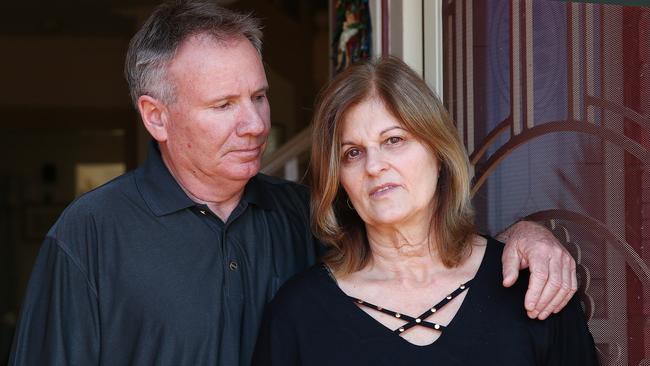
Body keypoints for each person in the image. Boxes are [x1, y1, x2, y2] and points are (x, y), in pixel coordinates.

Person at [9, 2, 577, 366]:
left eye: (258, 97)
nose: (255, 123)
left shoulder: (300, 214)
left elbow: (413, 239)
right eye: (224, 104)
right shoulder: (90, 235)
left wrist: (529, 236)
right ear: (156, 116)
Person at [252, 57, 598, 365]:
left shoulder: (533, 287)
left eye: (394, 140)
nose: (374, 166)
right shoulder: (300, 314)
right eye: (352, 153)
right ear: (339, 181)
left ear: (438, 152)